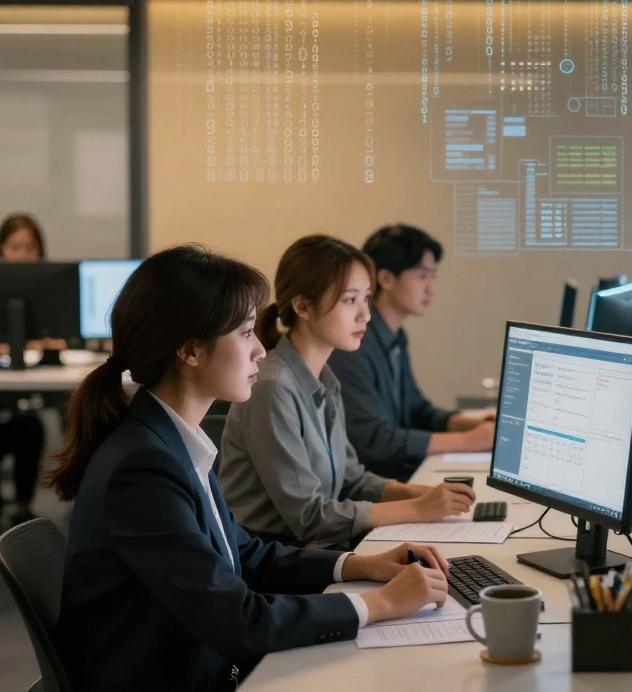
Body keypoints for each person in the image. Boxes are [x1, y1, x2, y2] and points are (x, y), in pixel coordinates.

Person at [51, 245, 454, 690]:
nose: (261, 349)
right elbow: (238, 621)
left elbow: (245, 554)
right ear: (190, 351)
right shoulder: (142, 467)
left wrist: (361, 565)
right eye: (245, 333)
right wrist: (380, 605)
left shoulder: (169, 440)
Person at [219, 235, 475, 547]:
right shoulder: (273, 387)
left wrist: (423, 494)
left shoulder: (324, 378)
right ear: (302, 306)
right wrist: (417, 508)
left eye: (367, 298)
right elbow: (310, 518)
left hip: (314, 549)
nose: (365, 315)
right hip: (277, 562)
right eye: (350, 300)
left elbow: (352, 478)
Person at [327, 224, 494, 483]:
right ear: (386, 279)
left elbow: (417, 411)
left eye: (433, 276)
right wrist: (468, 441)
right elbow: (373, 440)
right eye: (422, 275)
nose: (432, 287)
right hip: (374, 482)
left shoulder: (395, 337)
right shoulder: (354, 343)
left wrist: (469, 424)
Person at [0, 212, 48, 525]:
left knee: (30, 427)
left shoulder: (47, 287)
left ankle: (24, 505)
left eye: (30, 247)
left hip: (33, 377)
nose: (23, 255)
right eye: (16, 246)